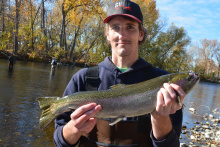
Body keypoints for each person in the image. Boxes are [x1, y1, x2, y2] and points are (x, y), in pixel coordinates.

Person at [53, 0, 185, 146]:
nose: (122, 35)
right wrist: (74, 128)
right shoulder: (83, 78)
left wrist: (160, 117)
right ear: (108, 34)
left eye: (130, 27)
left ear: (141, 34)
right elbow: (60, 142)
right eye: (115, 28)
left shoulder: (163, 84)